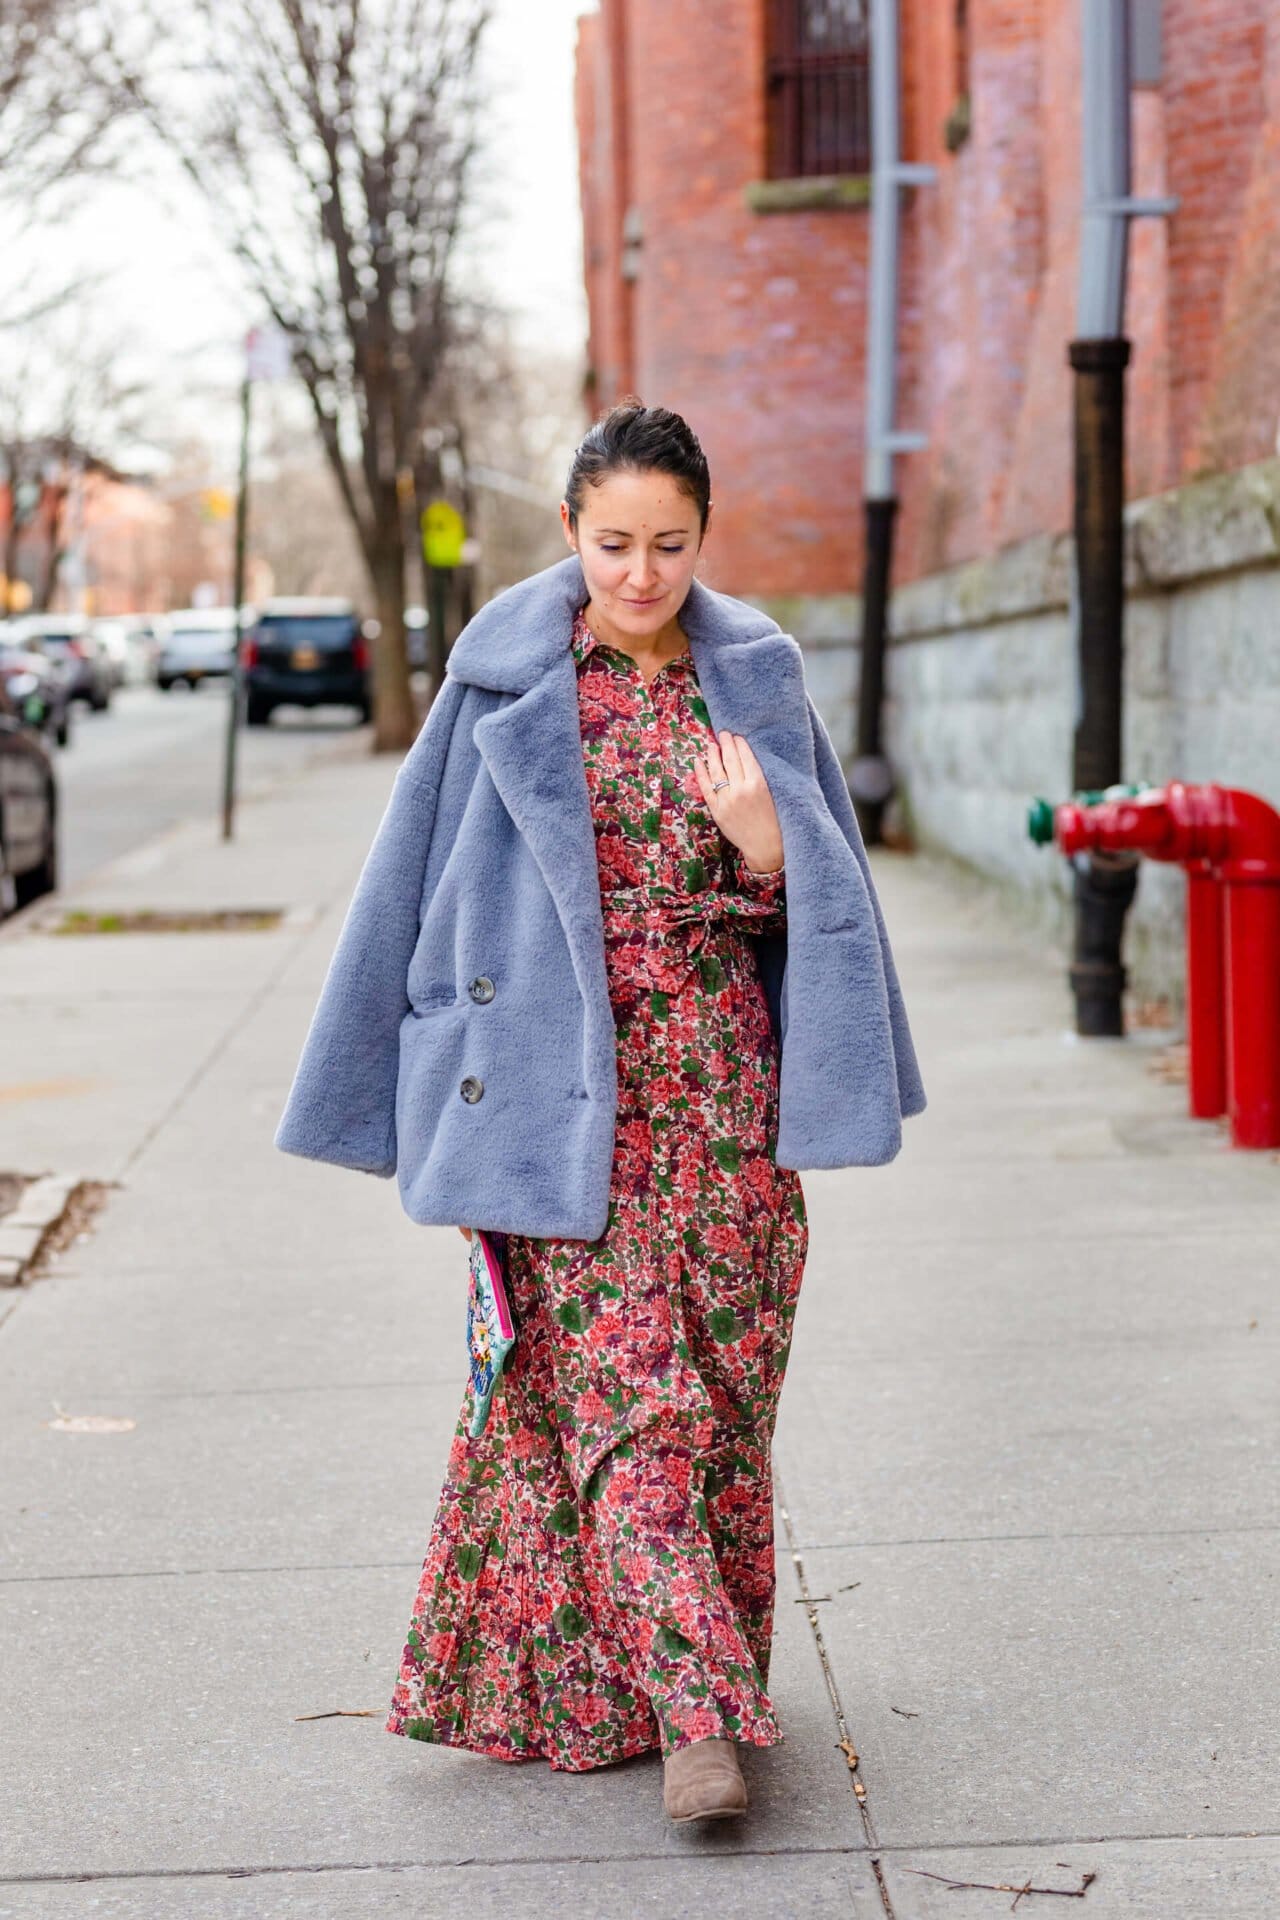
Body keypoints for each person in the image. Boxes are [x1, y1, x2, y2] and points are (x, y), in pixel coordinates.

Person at [275, 398, 926, 1825]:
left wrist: (770, 851)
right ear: (569, 533)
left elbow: (828, 910)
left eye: (670, 544)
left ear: (704, 538)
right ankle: (703, 1724)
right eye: (615, 542)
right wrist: (364, 1094)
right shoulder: (504, 684)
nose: (640, 573)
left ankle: (626, 1682)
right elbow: (403, 890)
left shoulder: (752, 677)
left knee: (717, 1412)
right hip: (554, 1106)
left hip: (722, 1099)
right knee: (630, 1411)